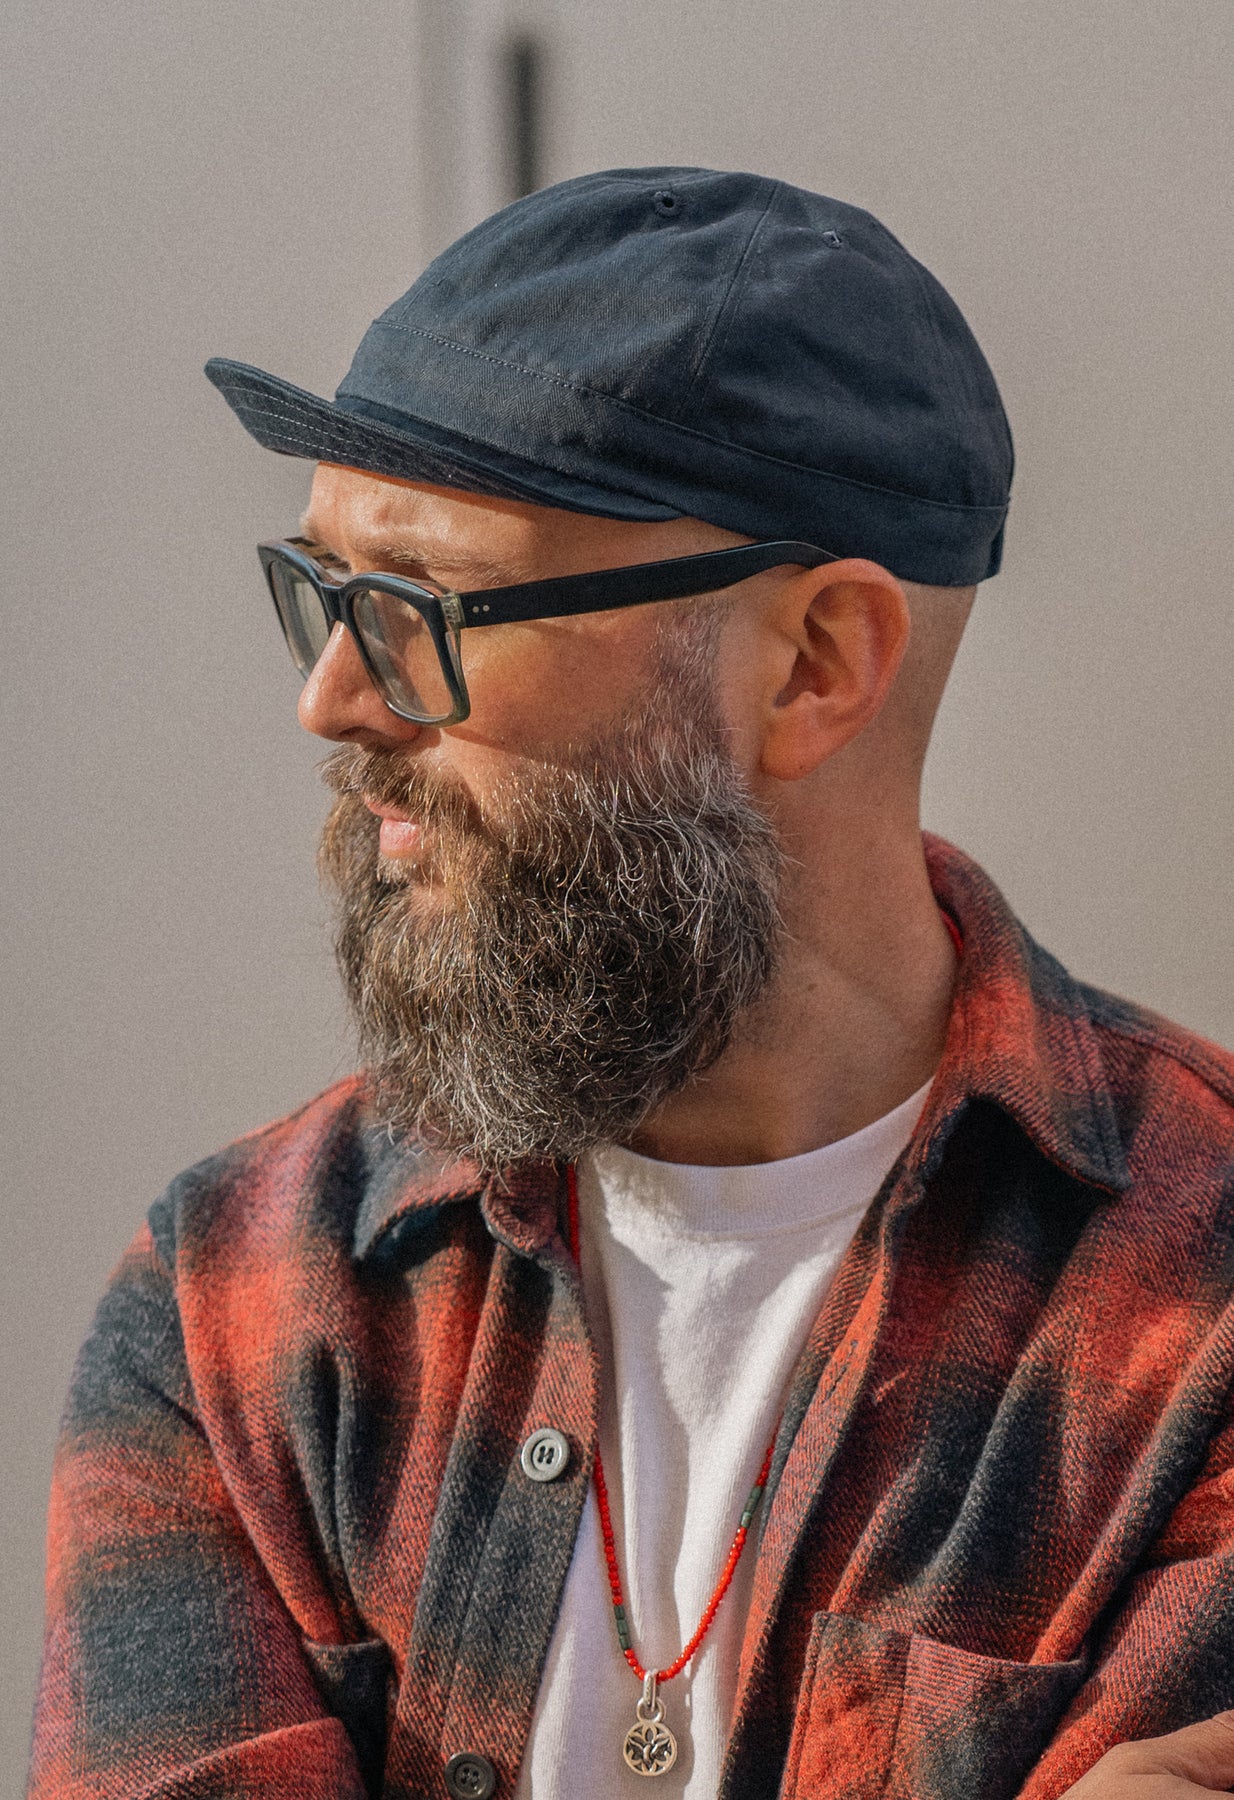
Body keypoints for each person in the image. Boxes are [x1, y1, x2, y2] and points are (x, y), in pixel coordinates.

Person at [26, 168, 1234, 1800]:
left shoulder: (1199, 1302)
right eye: (323, 594)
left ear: (813, 664)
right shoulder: (240, 1304)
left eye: (418, 609)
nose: (333, 700)